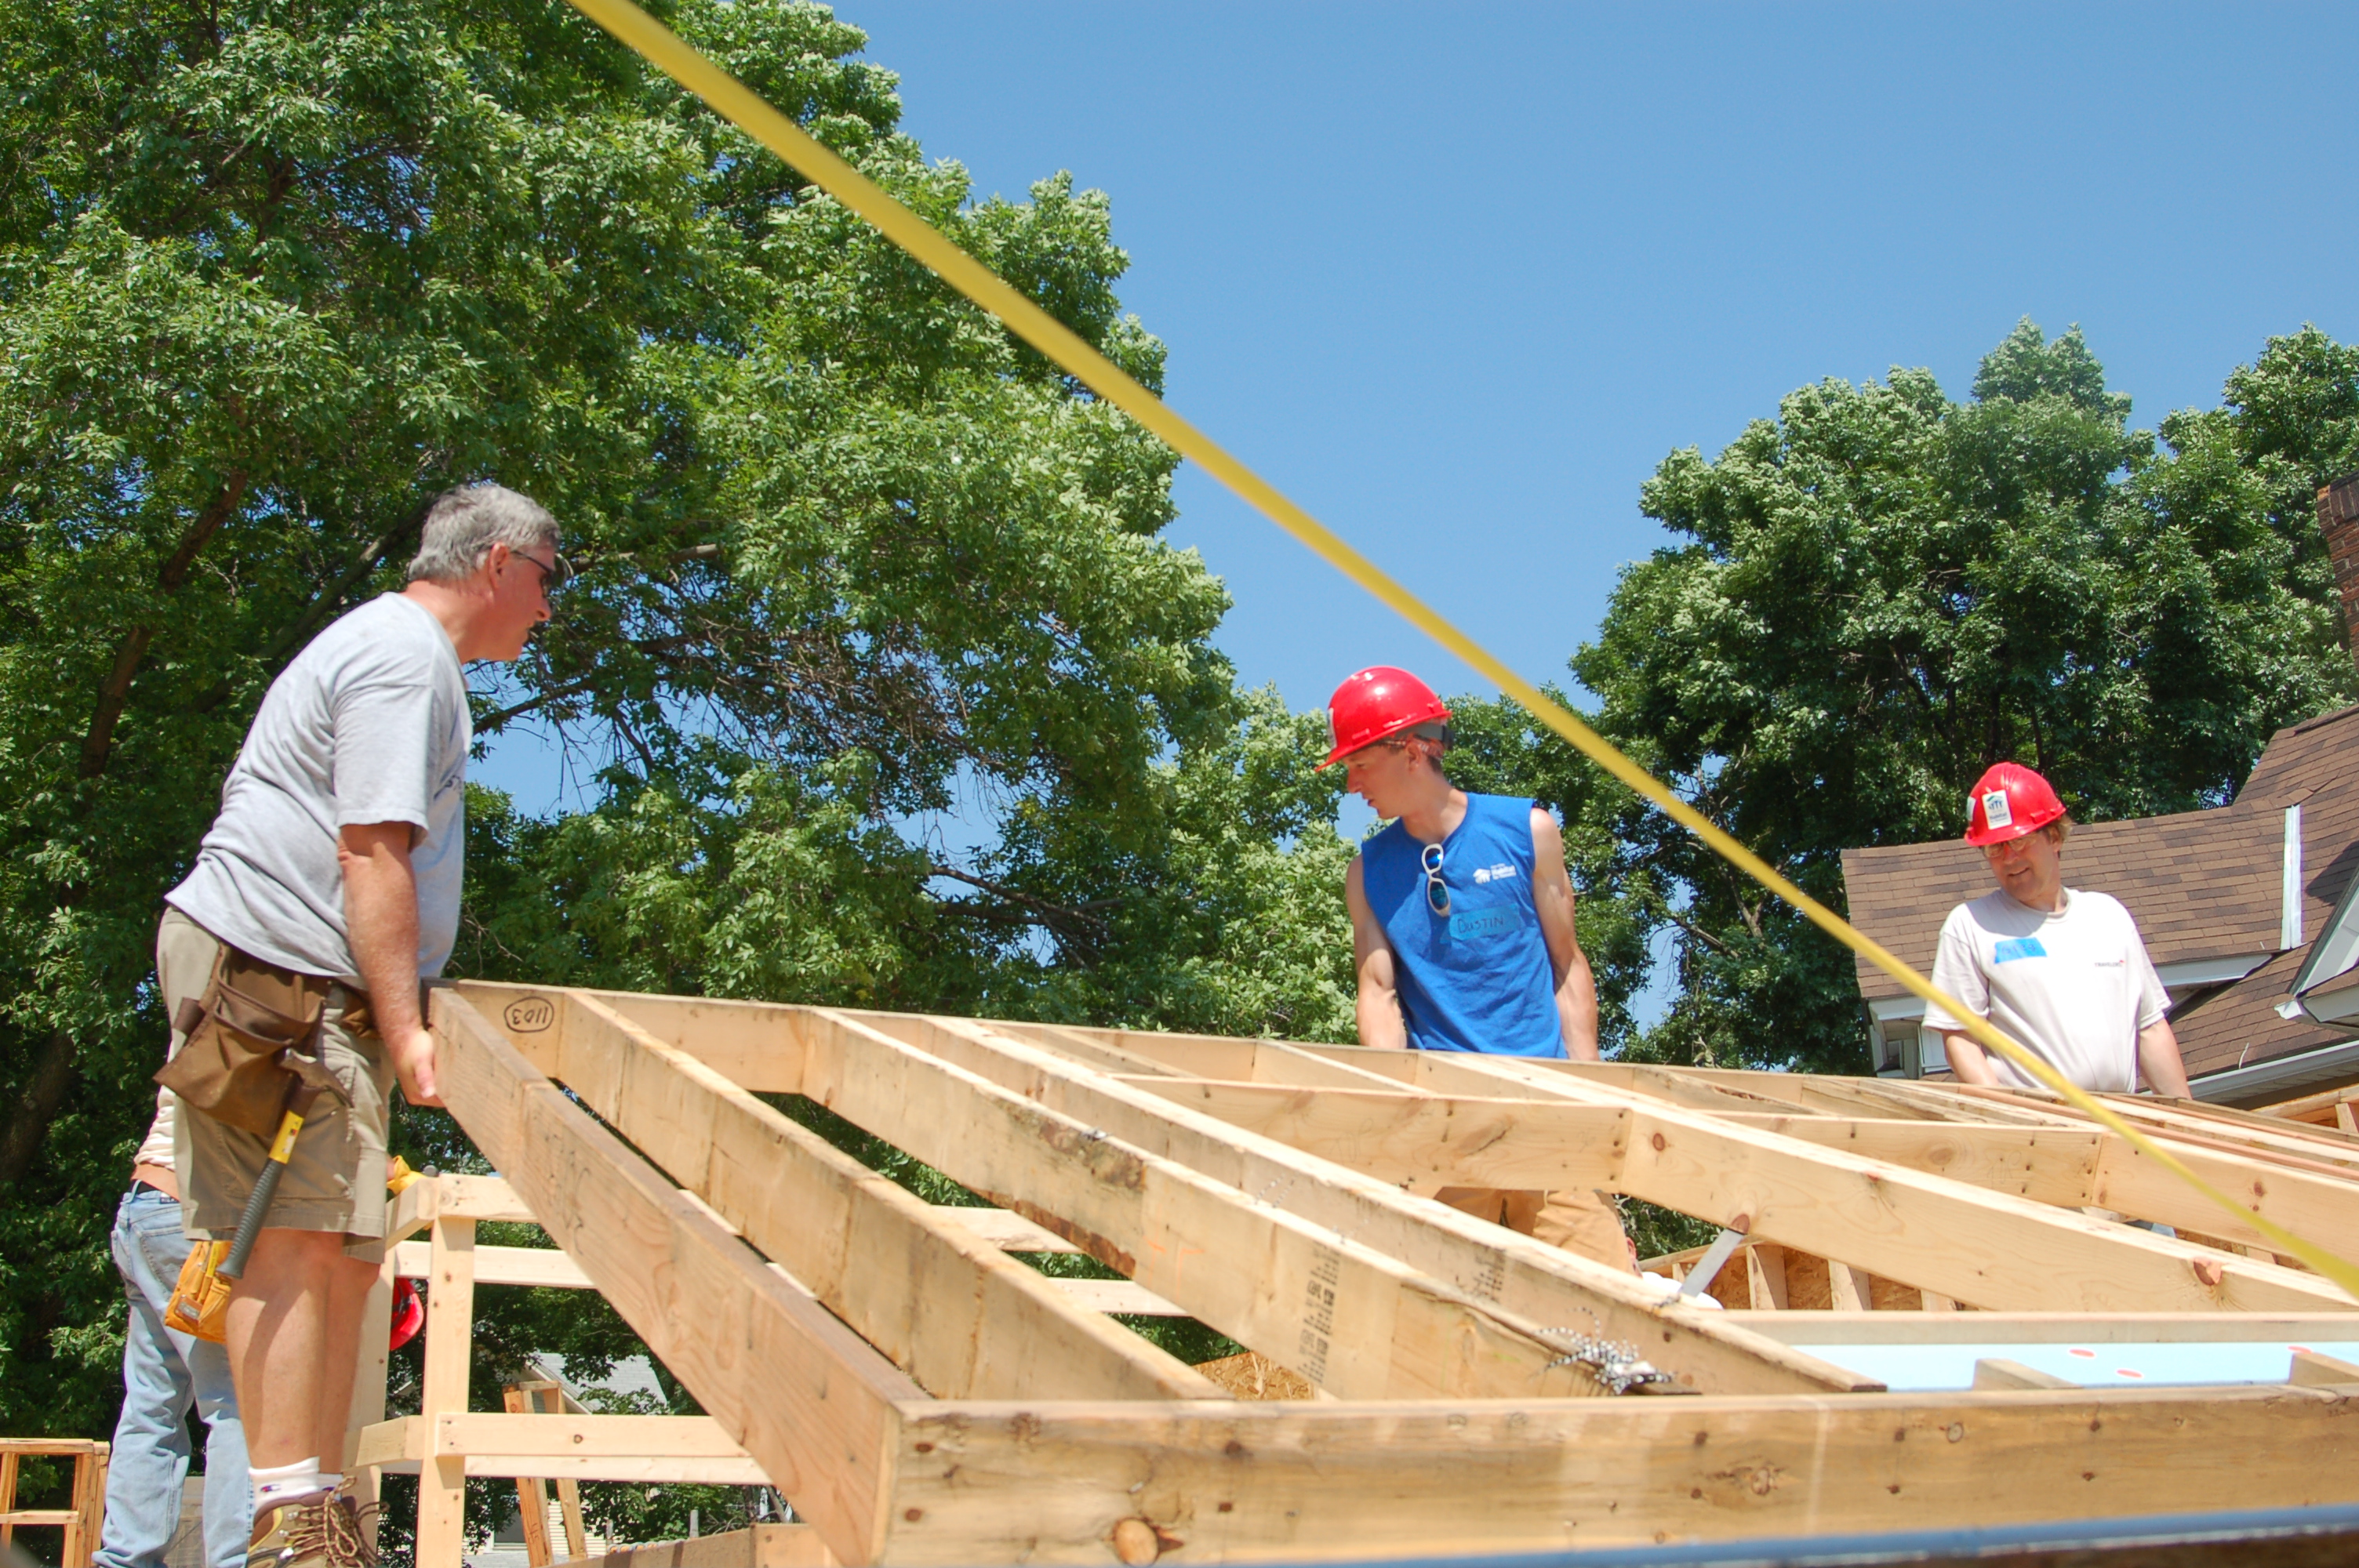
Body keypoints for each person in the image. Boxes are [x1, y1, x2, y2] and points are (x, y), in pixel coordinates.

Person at [161, 482, 564, 1568]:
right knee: (294, 1233)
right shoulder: (401, 657)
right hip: (278, 976)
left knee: (342, 1241)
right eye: (548, 580)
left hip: (295, 974)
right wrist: (407, 1029)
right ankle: (296, 1525)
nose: (547, 608)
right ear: (497, 564)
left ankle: (315, 1507)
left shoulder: (411, 659)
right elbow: (371, 851)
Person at [1330, 666, 1633, 1271]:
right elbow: (1379, 993)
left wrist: (1590, 1090)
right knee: (1425, 1305)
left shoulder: (1527, 831)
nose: (1351, 784)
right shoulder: (1368, 872)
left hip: (1548, 1114)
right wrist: (1398, 1110)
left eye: (1359, 764)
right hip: (1445, 1126)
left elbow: (1567, 966)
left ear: (1413, 750)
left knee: (1609, 1300)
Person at [1924, 761, 2192, 1098]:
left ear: (2053, 836)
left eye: (2019, 842)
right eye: (1995, 847)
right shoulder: (1970, 927)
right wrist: (2010, 1118)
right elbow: (1960, 1038)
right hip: (2039, 1133)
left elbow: (2149, 1028)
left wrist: (2187, 1119)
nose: (2008, 858)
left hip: (2123, 1121)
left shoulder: (2108, 917)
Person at [95, 1094, 250, 1568]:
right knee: (241, 1402)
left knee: (152, 1404)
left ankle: (126, 1558)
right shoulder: (273, 1022)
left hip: (145, 1209)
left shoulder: (202, 1021)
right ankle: (235, 1561)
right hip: (196, 1216)